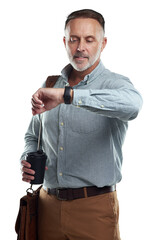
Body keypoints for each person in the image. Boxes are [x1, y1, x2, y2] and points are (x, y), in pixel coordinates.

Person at [21, 9, 143, 240]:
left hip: (94, 209)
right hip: (47, 207)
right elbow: (32, 135)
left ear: (103, 43)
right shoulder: (49, 84)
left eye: (89, 39)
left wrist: (68, 96)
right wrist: (27, 156)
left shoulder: (116, 85)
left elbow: (133, 106)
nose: (80, 47)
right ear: (65, 41)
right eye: (74, 39)